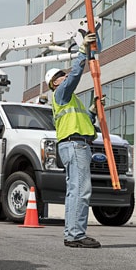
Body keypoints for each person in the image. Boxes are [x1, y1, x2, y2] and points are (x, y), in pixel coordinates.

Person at [46, 32, 101, 248]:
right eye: (59, 76)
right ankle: (76, 235)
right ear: (53, 83)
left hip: (75, 144)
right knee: (81, 189)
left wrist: (92, 110)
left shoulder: (70, 99)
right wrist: (82, 52)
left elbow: (84, 120)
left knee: (74, 190)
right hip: (75, 145)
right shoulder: (61, 93)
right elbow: (75, 75)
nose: (64, 76)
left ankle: (72, 233)